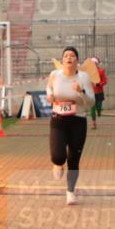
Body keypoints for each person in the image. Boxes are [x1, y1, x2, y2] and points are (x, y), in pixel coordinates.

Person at [45, 46, 95, 205]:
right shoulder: (55, 75)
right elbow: (48, 87)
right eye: (65, 55)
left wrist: (81, 92)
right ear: (62, 60)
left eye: (72, 56)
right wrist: (49, 95)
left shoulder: (84, 77)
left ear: (77, 61)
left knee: (74, 159)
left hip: (78, 120)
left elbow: (91, 102)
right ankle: (58, 164)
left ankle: (70, 191)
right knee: (58, 156)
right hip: (58, 119)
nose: (68, 58)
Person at [88, 56, 107, 130]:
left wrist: (99, 84)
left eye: (94, 63)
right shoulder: (89, 72)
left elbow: (105, 81)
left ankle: (99, 111)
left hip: (99, 92)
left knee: (98, 106)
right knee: (92, 108)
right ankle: (94, 123)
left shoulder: (101, 71)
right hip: (91, 93)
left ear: (97, 64)